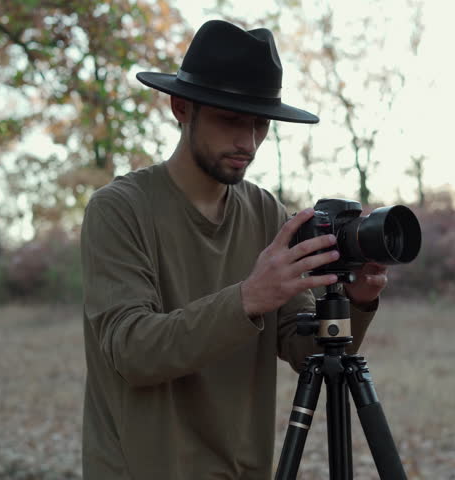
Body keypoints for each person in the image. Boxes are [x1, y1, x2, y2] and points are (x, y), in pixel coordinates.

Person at [80, 19, 388, 479]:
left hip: (243, 469)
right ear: (181, 108)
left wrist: (358, 300)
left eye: (261, 124)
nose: (248, 142)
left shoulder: (267, 213)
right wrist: (247, 299)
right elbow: (131, 351)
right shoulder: (119, 210)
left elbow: (305, 350)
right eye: (230, 120)